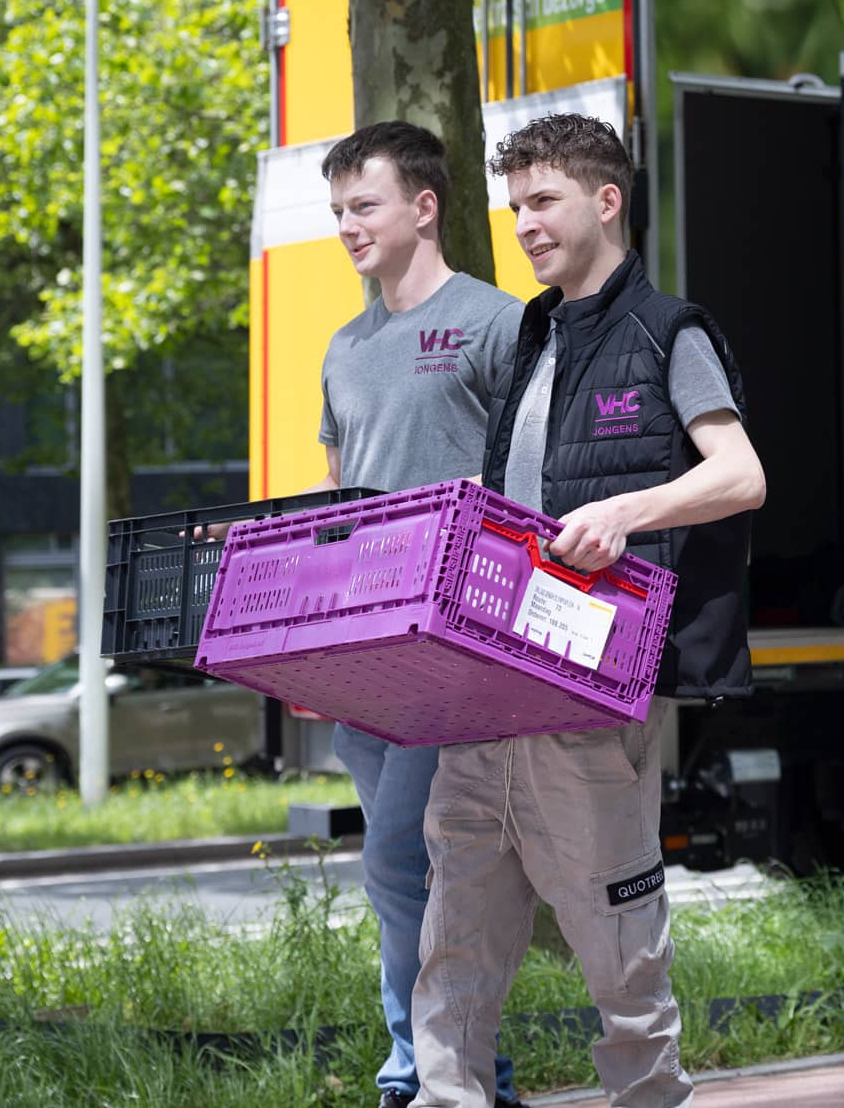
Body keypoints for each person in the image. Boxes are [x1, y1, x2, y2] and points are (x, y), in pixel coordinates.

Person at [406, 114, 766, 1107]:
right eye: (514, 204)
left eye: (543, 199)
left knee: (618, 956)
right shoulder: (532, 332)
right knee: (455, 944)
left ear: (606, 200)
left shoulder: (670, 331)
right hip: (487, 686)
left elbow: (739, 475)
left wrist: (621, 509)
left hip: (594, 687)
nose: (523, 222)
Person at [313, 120, 528, 1108]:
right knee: (403, 873)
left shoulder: (494, 322)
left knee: (401, 848)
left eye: (364, 205)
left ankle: (421, 1072)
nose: (348, 226)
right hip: (364, 646)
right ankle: (462, 1067)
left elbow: (530, 483)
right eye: (338, 211)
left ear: (423, 205)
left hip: (456, 642)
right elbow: (339, 486)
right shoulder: (344, 347)